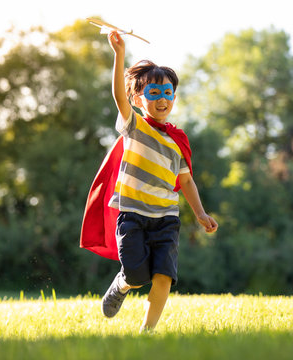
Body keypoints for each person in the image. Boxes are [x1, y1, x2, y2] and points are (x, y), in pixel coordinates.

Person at [81, 30, 218, 333]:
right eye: (154, 93)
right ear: (138, 98)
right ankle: (122, 283)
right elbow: (118, 95)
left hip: (166, 217)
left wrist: (200, 213)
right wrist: (119, 55)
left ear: (174, 98)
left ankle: (147, 333)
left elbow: (187, 182)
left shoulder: (176, 141)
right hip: (132, 214)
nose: (162, 99)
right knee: (136, 273)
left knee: (164, 275)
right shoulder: (135, 126)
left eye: (167, 93)